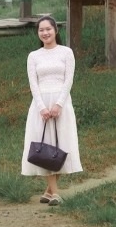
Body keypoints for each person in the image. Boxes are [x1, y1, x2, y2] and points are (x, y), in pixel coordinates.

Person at [21, 15, 82, 205]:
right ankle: (56, 194)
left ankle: (49, 191)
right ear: (38, 33)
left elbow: (68, 80)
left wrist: (58, 104)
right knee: (46, 147)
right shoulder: (33, 56)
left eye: (48, 29)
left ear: (56, 30)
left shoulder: (66, 52)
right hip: (41, 106)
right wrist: (42, 107)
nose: (45, 33)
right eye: (41, 30)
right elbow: (33, 84)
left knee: (61, 147)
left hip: (61, 104)